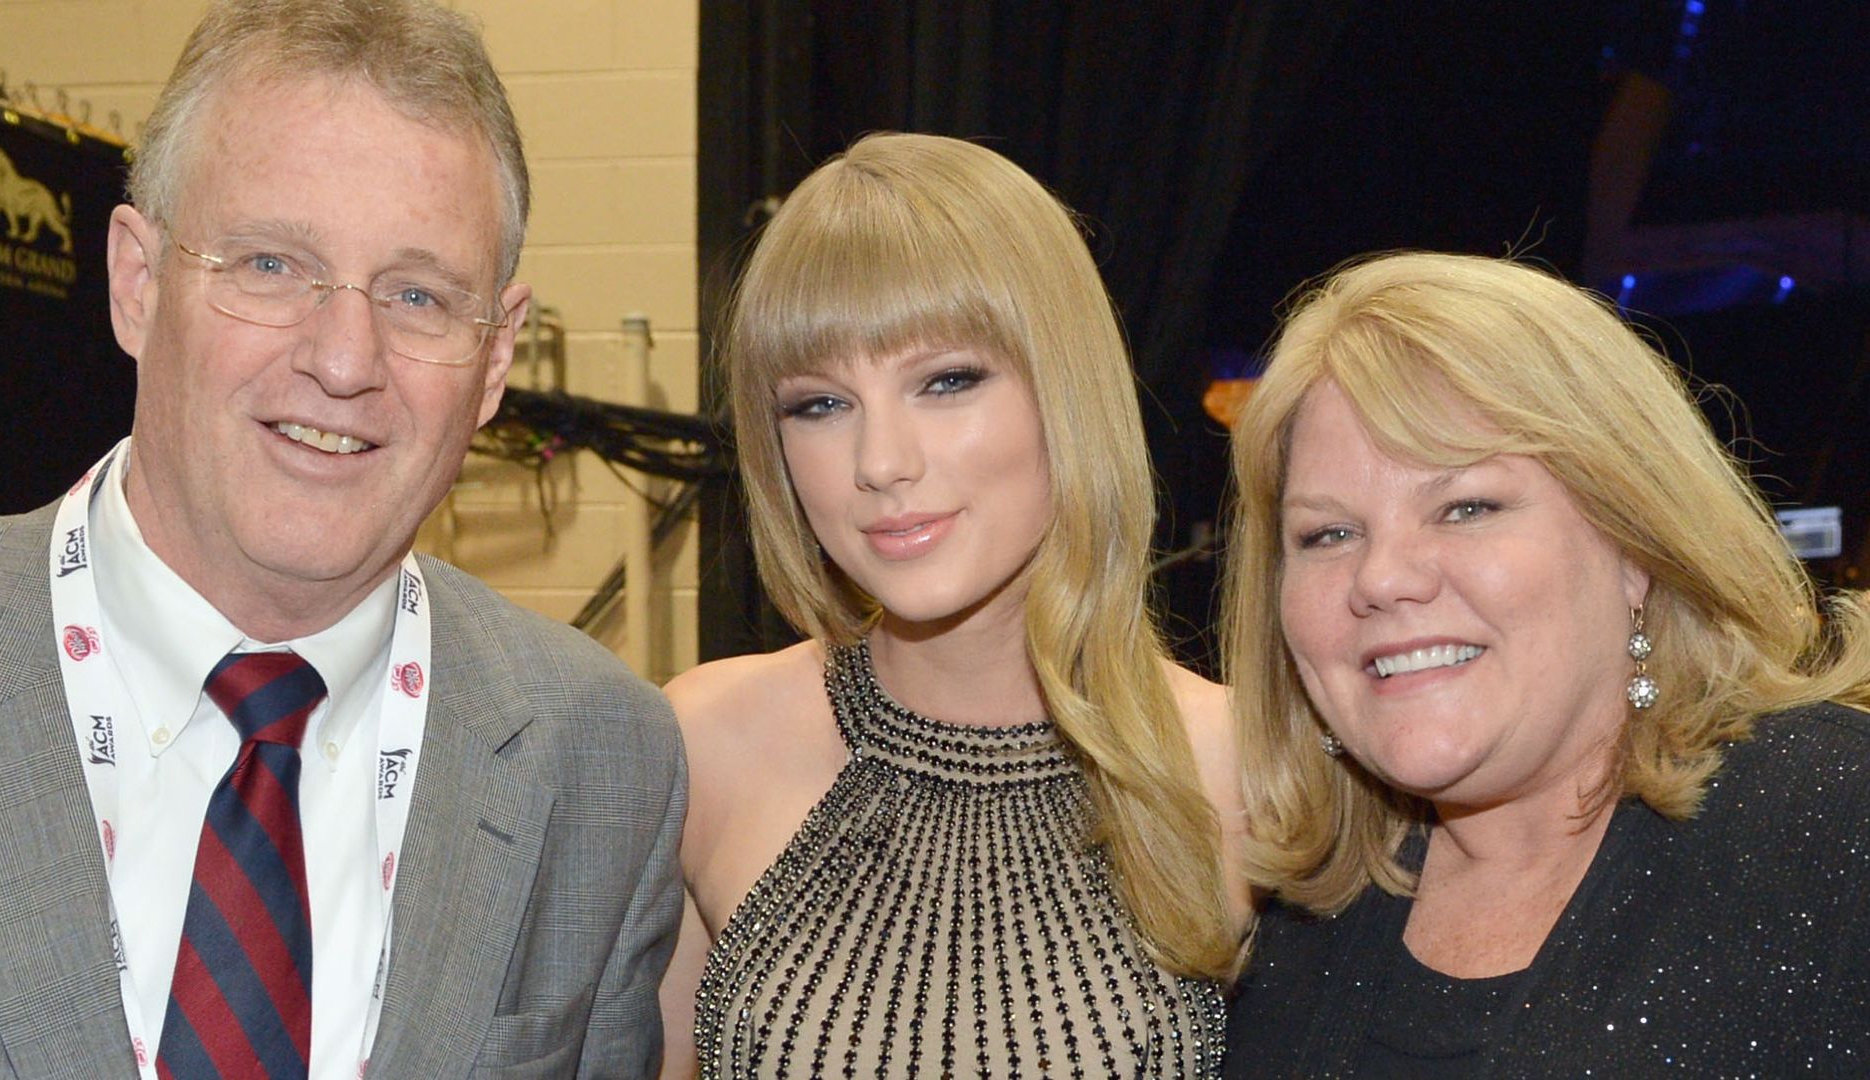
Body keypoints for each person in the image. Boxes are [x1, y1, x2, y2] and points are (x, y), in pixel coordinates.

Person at [0, 2, 684, 1076]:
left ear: (493, 358)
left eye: (420, 293)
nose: (345, 360)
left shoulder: (602, 759)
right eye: (270, 265)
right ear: (138, 283)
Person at [657, 133, 1248, 1077]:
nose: (880, 461)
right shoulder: (701, 745)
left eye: (947, 381)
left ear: (1066, 390)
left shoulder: (1242, 770)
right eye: (818, 405)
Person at [1220, 251, 1870, 1074]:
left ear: (1635, 541)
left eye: (1465, 507)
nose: (1381, 578)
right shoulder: (1289, 915)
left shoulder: (1835, 828)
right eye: (1329, 534)